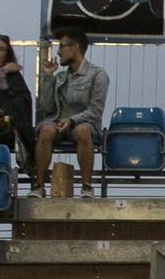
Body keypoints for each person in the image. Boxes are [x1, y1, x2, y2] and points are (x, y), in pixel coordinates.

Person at [32, 27, 109, 197]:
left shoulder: (97, 74)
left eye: (62, 47)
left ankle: (86, 186)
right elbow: (47, 107)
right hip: (58, 121)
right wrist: (48, 77)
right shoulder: (60, 77)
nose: (58, 53)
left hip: (84, 123)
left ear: (75, 48)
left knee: (82, 132)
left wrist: (73, 120)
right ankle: (38, 185)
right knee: (45, 130)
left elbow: (95, 110)